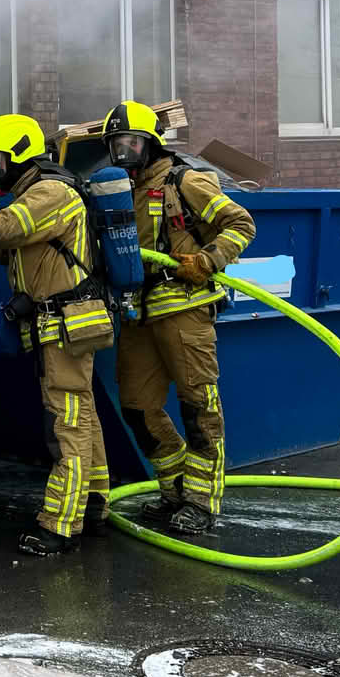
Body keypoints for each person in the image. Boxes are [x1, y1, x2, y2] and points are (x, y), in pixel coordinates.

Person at [0, 114, 115, 556]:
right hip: (59, 323)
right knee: (81, 416)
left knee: (67, 423)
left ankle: (61, 526)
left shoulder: (50, 192)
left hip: (65, 323)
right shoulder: (36, 194)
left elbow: (4, 229)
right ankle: (93, 505)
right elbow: (15, 248)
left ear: (18, 155)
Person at [101, 100, 256, 535]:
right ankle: (174, 490)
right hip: (137, 313)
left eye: (131, 143)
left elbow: (241, 224)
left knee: (198, 406)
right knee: (137, 408)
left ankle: (201, 502)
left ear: (151, 143)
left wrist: (207, 260)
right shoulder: (118, 191)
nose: (123, 152)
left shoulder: (183, 181)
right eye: (116, 144)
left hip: (184, 308)